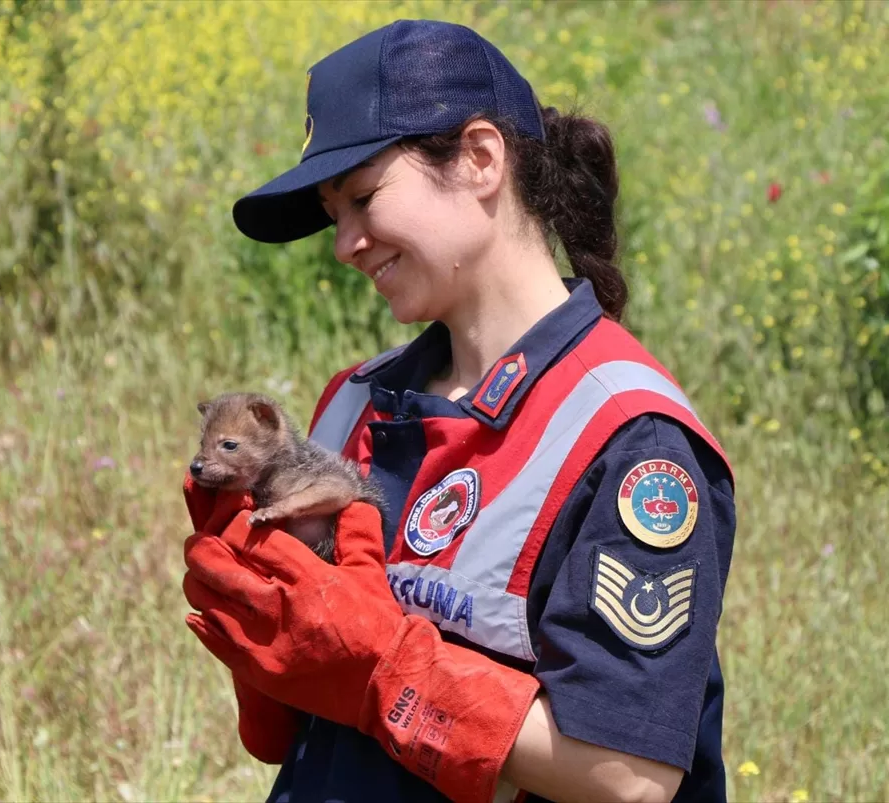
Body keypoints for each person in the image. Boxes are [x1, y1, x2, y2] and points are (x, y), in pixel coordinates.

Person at [181, 19, 737, 803]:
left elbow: (629, 776)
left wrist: (386, 669)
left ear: (480, 158)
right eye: (332, 213)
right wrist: (266, 646)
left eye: (365, 198)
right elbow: (302, 718)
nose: (344, 244)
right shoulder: (350, 404)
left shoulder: (626, 438)